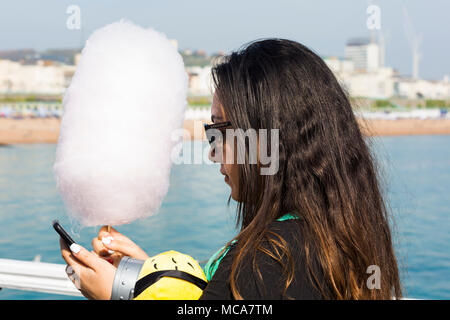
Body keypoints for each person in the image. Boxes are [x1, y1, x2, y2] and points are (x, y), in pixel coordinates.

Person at [60, 38, 402, 300]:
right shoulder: (334, 237)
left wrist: (113, 293)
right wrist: (150, 276)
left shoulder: (268, 261)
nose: (211, 153)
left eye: (219, 131)